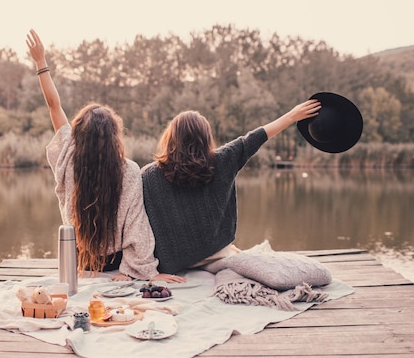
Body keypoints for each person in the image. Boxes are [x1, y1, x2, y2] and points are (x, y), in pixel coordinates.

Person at [26, 29, 185, 283]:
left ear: (78, 134)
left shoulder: (67, 157)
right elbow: (137, 226)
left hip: (77, 260)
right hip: (115, 264)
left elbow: (54, 106)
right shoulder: (130, 170)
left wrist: (40, 62)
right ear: (115, 137)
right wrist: (138, 272)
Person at [141, 99, 322, 274]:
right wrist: (292, 116)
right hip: (215, 254)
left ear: (170, 137)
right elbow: (254, 138)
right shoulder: (222, 160)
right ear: (205, 138)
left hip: (172, 262)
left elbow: (139, 226)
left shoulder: (148, 175)